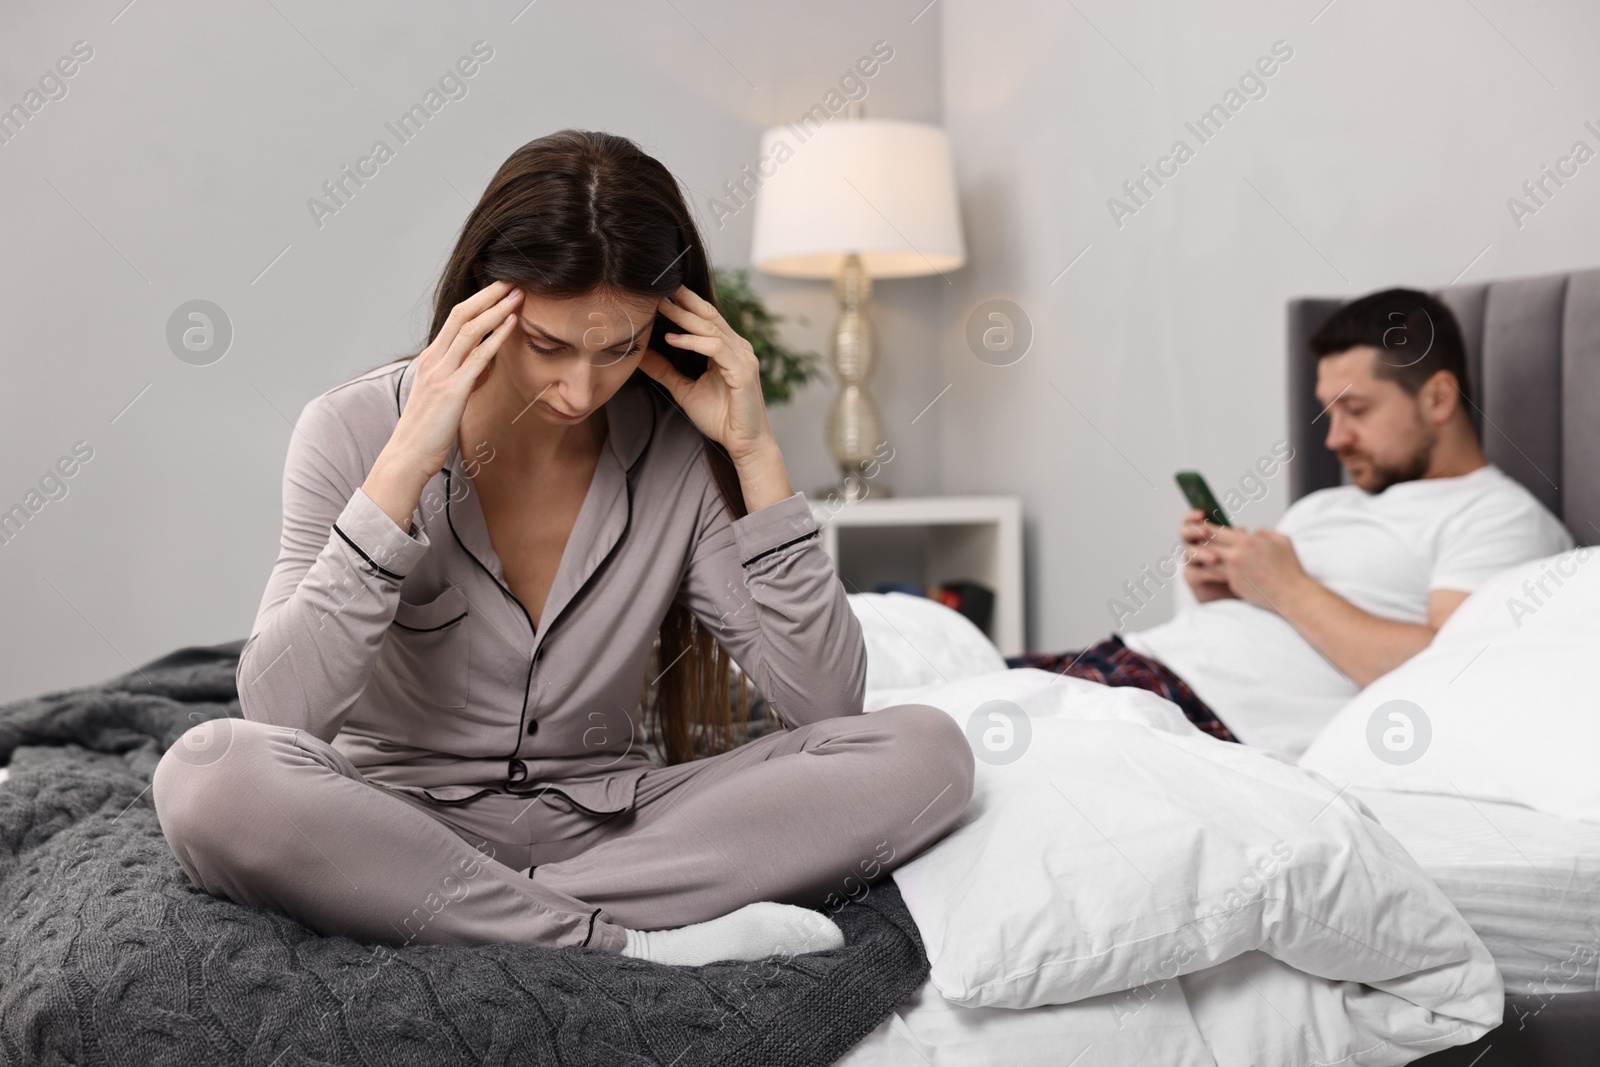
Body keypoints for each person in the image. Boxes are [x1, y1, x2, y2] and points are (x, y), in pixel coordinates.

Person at [151, 129, 974, 966]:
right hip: (399, 820)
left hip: (616, 823)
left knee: (927, 752)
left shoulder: (678, 450)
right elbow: (282, 715)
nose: (581, 389)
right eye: (548, 345)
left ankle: (479, 911)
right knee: (208, 769)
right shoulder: (349, 429)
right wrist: (402, 466)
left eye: (617, 349)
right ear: (484, 301)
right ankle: (628, 941)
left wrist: (755, 457)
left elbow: (826, 708)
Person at [1010, 288, 1573, 757]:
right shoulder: (1326, 505)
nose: (1334, 440)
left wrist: (1288, 589)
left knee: (965, 751)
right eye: (1330, 415)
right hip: (1133, 662)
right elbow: (1271, 629)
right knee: (943, 707)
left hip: (1201, 714)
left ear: (1438, 398)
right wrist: (1218, 589)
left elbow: (1450, 677)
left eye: (1357, 411)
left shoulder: (1499, 517)